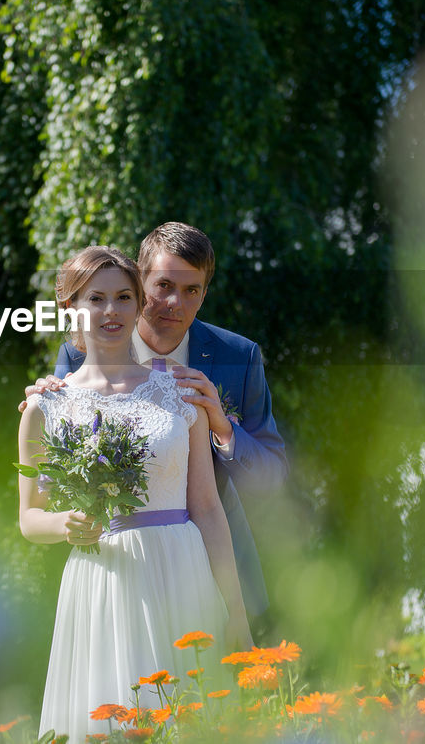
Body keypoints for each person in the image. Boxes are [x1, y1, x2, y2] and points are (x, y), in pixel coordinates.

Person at [17, 245, 252, 744]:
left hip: (184, 573)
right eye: (96, 298)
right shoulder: (45, 407)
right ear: (71, 308)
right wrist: (65, 525)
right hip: (104, 582)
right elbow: (29, 519)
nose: (111, 311)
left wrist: (237, 614)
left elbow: (208, 510)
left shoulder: (180, 391)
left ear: (139, 302)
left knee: (194, 722)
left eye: (124, 297)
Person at [24, 222, 287, 627]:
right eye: (163, 286)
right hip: (113, 571)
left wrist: (223, 429)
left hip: (220, 564)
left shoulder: (240, 356)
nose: (174, 304)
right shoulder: (77, 356)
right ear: (141, 283)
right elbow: (55, 475)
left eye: (191, 291)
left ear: (204, 294)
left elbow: (272, 478)